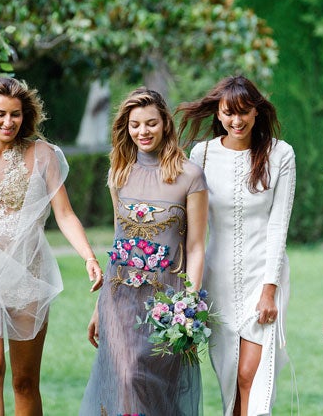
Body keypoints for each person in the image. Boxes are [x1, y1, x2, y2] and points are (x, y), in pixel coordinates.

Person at [0, 77, 103, 414]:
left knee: (24, 381)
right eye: (0, 114)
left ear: (25, 116)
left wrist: (89, 257)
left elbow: (65, 214)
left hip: (28, 275)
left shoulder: (43, 155)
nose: (8, 122)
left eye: (15, 114)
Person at [80, 87, 208, 416]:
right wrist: (99, 306)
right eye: (135, 125)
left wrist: (189, 305)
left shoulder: (190, 176)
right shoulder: (119, 173)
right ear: (126, 127)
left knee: (156, 387)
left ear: (165, 124)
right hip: (119, 299)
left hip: (167, 301)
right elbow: (118, 241)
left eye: (151, 123)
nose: (143, 132)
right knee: (126, 376)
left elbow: (196, 247)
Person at [177, 76, 296, 416]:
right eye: (229, 113)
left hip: (263, 277)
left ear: (257, 112)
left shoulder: (281, 154)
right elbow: (193, 227)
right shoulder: (202, 154)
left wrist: (269, 290)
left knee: (251, 377)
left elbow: (278, 226)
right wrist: (189, 288)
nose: (237, 120)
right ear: (218, 113)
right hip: (217, 281)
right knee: (230, 381)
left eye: (244, 112)